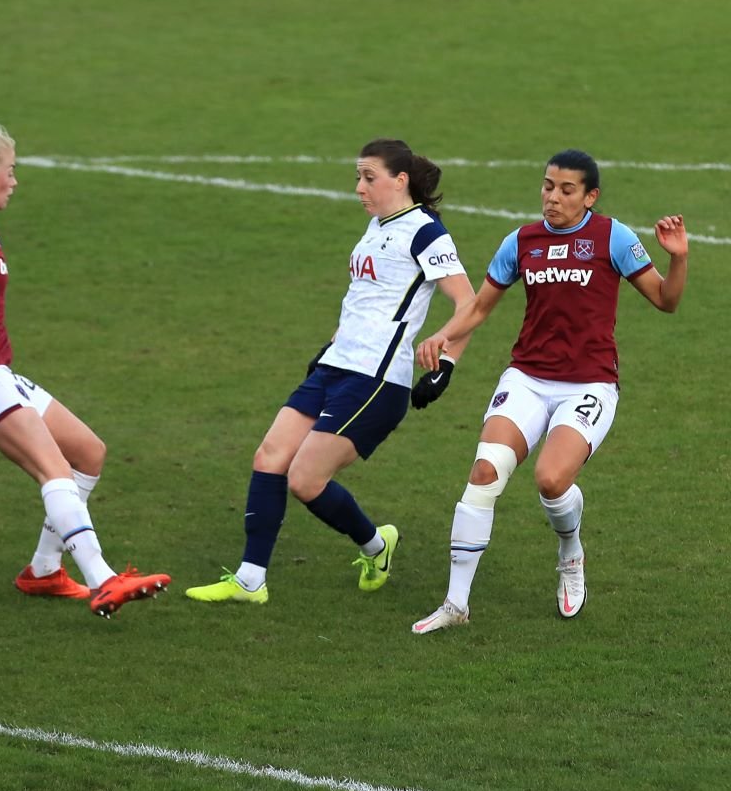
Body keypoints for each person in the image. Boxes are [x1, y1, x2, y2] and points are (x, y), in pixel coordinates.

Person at [0, 115, 170, 618]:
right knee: (55, 469)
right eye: (10, 170)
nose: (14, 180)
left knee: (88, 452)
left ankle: (44, 571)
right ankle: (102, 578)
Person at [186, 139, 476, 605]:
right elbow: (365, 303)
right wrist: (331, 346)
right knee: (269, 457)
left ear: (399, 181)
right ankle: (250, 579)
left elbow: (469, 302)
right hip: (334, 366)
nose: (359, 187)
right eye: (358, 177)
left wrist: (445, 360)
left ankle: (377, 546)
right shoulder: (374, 228)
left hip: (376, 379)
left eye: (368, 177)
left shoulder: (425, 232)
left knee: (304, 479)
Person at [411, 149, 689, 634]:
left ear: (590, 196)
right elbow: (477, 309)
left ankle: (570, 552)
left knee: (550, 481)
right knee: (484, 471)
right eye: (547, 186)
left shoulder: (613, 237)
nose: (552, 197)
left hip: (590, 385)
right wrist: (444, 335)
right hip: (527, 379)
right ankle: (456, 604)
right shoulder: (522, 241)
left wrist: (679, 258)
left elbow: (666, 301)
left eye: (565, 190)